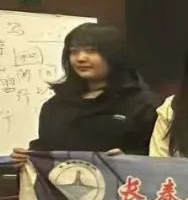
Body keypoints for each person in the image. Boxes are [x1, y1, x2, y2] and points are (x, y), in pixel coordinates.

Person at [10, 23, 158, 163]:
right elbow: (46, 149)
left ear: (114, 56)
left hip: (118, 180)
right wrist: (26, 157)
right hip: (62, 180)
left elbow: (157, 157)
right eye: (74, 52)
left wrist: (130, 159)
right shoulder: (56, 105)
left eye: (91, 51)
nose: (80, 58)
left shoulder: (143, 104)